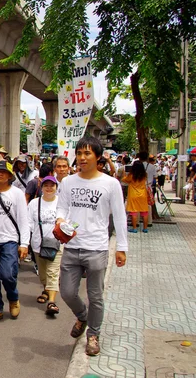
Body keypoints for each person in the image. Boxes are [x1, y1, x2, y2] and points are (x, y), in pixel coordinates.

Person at [55, 136, 128, 356]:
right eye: (79, 153)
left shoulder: (110, 184)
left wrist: (122, 247)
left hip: (97, 247)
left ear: (98, 157)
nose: (82, 158)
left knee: (95, 295)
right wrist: (59, 220)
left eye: (87, 153)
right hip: (72, 245)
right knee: (67, 292)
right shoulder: (68, 182)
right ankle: (82, 316)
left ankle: (93, 334)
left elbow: (120, 216)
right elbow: (61, 208)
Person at [0, 161, 30, 323]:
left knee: (8, 275)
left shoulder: (17, 194)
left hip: (9, 240)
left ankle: (13, 298)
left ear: (10, 175)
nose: (0, 174)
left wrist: (24, 244)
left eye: (3, 171)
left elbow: (24, 220)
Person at [27, 176, 63, 316]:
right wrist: (25, 242)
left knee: (53, 273)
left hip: (56, 244)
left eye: (52, 185)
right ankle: (46, 290)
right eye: (46, 185)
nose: (49, 188)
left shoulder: (61, 203)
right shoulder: (34, 204)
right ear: (41, 188)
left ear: (56, 187)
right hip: (38, 244)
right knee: (42, 274)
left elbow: (68, 221)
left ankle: (51, 302)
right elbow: (29, 223)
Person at [123, 161, 149, 233]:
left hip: (133, 194)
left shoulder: (132, 175)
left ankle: (134, 228)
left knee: (134, 212)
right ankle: (145, 228)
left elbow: (125, 180)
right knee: (144, 212)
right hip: (143, 194)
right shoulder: (145, 174)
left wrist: (124, 174)